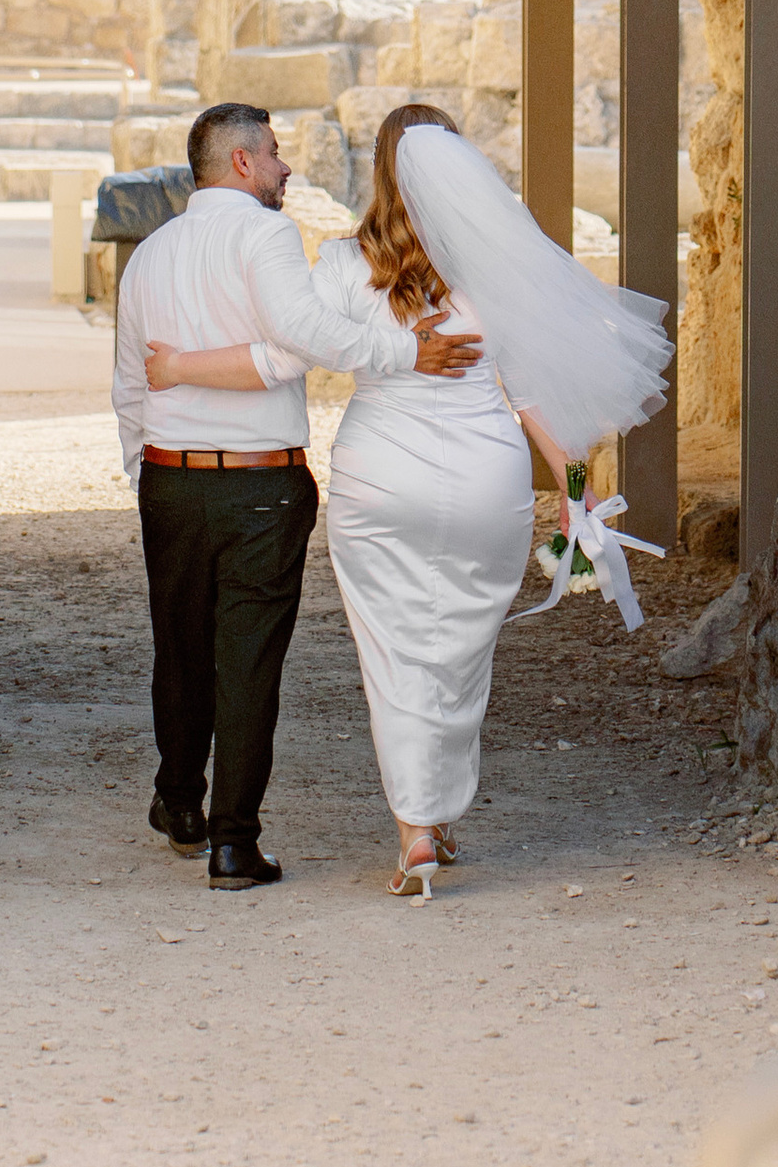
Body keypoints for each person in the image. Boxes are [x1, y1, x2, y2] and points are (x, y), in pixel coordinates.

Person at [143, 102, 671, 898]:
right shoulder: (495, 271)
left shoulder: (344, 264)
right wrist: (575, 498)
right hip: (485, 481)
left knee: (394, 658)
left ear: (384, 172)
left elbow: (282, 355)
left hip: (380, 478)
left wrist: (181, 365)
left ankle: (415, 832)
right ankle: (439, 817)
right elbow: (537, 403)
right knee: (458, 651)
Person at [111, 100, 485, 891]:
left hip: (169, 477)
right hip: (258, 481)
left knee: (178, 647)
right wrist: (401, 351)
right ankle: (232, 846)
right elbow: (301, 338)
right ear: (243, 162)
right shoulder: (268, 234)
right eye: (276, 155)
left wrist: (146, 471)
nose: (287, 169)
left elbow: (125, 385)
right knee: (246, 661)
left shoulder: (148, 254)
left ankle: (180, 803)